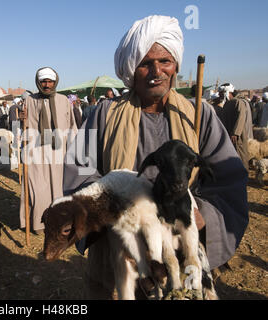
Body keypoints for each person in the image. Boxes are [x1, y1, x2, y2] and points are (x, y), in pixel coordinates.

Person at [63, 15, 248, 299]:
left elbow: (226, 179)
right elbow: (79, 170)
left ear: (175, 66)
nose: (156, 71)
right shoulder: (105, 113)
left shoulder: (199, 114)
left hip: (180, 235)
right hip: (122, 241)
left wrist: (201, 215)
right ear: (131, 69)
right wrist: (117, 208)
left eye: (165, 61)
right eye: (145, 63)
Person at [19, 66, 78, 234]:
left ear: (55, 82)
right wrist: (21, 120)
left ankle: (60, 221)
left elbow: (72, 125)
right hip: (36, 150)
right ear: (38, 82)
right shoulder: (30, 100)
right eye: (43, 81)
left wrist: (73, 149)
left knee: (59, 187)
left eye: (50, 81)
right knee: (37, 187)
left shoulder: (63, 100)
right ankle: (38, 223)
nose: (46, 84)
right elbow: (24, 127)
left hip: (59, 151)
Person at [215, 83, 251, 170]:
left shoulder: (239, 102)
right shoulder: (228, 103)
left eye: (221, 93)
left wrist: (235, 133)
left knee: (240, 156)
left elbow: (241, 118)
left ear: (227, 92)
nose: (220, 95)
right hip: (229, 134)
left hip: (237, 137)